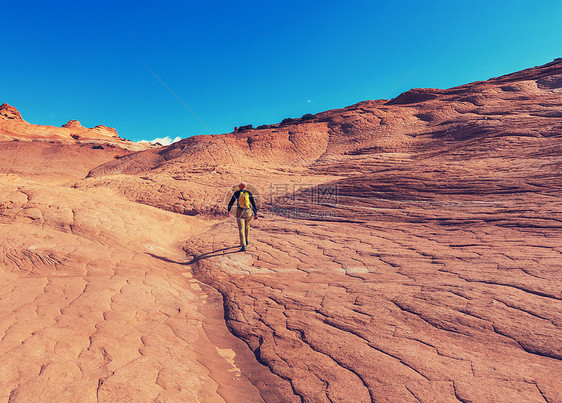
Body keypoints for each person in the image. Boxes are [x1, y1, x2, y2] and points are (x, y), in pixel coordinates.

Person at [228, 182, 258, 251]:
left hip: (240, 211)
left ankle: (243, 245)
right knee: (247, 226)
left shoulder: (237, 193)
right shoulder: (248, 193)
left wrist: (228, 210)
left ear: (240, 186)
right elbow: (253, 203)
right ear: (245, 187)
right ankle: (247, 241)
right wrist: (255, 214)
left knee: (241, 228)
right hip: (248, 211)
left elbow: (231, 201)